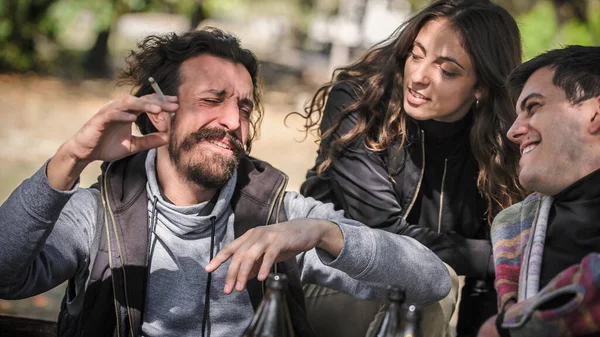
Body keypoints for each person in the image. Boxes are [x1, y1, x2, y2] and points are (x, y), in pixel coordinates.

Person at [0, 28, 452, 337]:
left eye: (244, 108)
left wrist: (324, 233)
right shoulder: (97, 212)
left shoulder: (278, 214)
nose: (233, 121)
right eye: (212, 100)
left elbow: (431, 281)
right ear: (159, 110)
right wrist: (73, 157)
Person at [296, 0, 526, 336]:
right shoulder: (360, 104)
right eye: (415, 55)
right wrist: (501, 256)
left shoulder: (497, 142)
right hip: (324, 282)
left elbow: (488, 282)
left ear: (481, 86)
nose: (417, 77)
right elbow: (381, 231)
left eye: (447, 71)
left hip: (409, 307)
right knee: (434, 282)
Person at [477, 46, 600, 337]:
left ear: (596, 114)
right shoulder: (513, 228)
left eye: (533, 107)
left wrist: (514, 325)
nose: (513, 132)